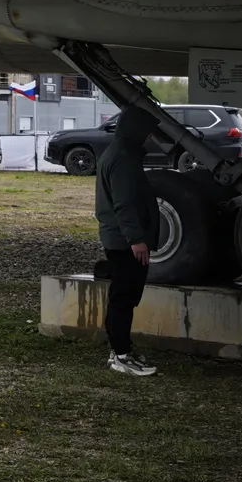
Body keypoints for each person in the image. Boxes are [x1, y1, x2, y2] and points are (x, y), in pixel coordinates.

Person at [95, 106, 162, 376]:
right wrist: (136, 239)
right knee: (124, 297)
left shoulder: (122, 153)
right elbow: (124, 204)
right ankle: (121, 354)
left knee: (123, 296)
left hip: (120, 239)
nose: (151, 139)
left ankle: (120, 350)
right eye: (147, 133)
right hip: (124, 242)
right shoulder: (123, 158)